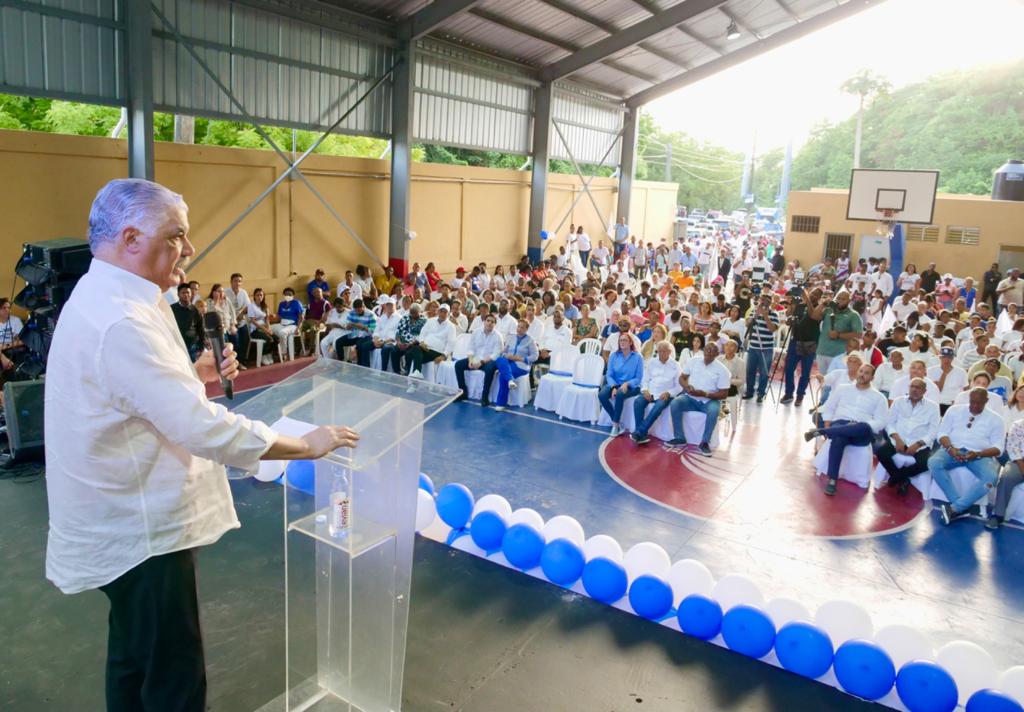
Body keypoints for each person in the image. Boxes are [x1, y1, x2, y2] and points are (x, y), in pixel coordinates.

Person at [45, 178, 360, 712]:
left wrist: (192, 372)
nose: (188, 250)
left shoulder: (104, 294)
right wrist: (303, 445)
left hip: (118, 520)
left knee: (133, 660)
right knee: (173, 676)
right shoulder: (122, 319)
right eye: (176, 236)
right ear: (130, 238)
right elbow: (200, 427)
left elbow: (132, 396)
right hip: (141, 530)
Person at [805, 363, 889, 495]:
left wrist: (865, 426)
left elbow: (881, 421)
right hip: (841, 424)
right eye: (861, 371)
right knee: (839, 438)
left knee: (861, 426)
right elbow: (829, 408)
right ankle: (832, 480)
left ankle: (821, 432)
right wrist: (828, 423)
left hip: (862, 430)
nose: (862, 374)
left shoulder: (879, 397)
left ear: (872, 378)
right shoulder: (842, 389)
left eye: (866, 373)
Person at [930, 387, 1005, 525]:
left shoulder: (996, 419)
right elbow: (942, 434)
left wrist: (978, 454)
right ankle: (959, 506)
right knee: (934, 463)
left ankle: (955, 508)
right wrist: (950, 448)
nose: (975, 406)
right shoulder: (954, 410)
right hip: (952, 450)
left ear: (986, 401)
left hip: (980, 455)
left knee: (991, 478)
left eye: (979, 403)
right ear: (969, 398)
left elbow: (999, 448)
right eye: (973, 402)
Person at [875, 377, 941, 494]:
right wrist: (897, 439)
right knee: (881, 452)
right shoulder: (898, 401)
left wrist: (918, 444)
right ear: (909, 388)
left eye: (918, 387)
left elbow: (933, 431)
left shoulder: (933, 407)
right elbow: (889, 423)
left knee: (927, 463)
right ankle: (903, 480)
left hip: (919, 444)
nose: (914, 390)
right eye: (912, 387)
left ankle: (897, 477)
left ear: (924, 391)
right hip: (898, 441)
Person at [667, 342, 730, 456]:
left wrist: (705, 394)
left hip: (709, 400)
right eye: (707, 349)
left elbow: (724, 393)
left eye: (712, 350)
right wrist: (687, 387)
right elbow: (682, 378)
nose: (709, 352)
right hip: (690, 398)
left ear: (717, 354)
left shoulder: (722, 370)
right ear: (703, 349)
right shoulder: (693, 361)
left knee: (714, 410)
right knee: (675, 403)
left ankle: (705, 442)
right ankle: (679, 437)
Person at [631, 340, 682, 444]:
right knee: (638, 402)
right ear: (657, 351)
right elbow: (645, 379)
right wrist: (645, 390)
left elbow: (679, 386)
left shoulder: (676, 365)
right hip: (650, 392)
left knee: (658, 407)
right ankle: (641, 435)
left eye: (664, 351)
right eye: (660, 351)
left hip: (665, 395)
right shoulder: (651, 362)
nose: (662, 353)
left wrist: (669, 393)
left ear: (669, 352)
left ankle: (639, 432)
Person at [781, 288, 823, 406]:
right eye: (812, 293)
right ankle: (789, 393)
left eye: (816, 294)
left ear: (819, 297)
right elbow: (791, 316)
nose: (813, 295)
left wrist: (808, 300)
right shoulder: (800, 305)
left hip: (810, 343)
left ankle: (800, 395)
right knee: (789, 369)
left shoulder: (820, 308)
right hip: (796, 340)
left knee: (805, 372)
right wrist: (790, 319)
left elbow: (813, 315)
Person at [600, 332, 643, 436]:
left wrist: (627, 383)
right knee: (602, 395)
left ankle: (615, 426)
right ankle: (617, 421)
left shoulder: (637, 357)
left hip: (632, 386)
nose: (622, 342)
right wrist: (614, 386)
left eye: (625, 340)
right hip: (615, 383)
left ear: (630, 342)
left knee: (620, 394)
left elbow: (638, 378)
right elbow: (609, 374)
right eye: (620, 340)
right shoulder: (614, 356)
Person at [454, 313, 503, 404]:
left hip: (489, 361)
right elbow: (471, 348)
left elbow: (496, 354)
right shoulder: (476, 332)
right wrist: (470, 360)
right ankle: (463, 392)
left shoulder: (498, 336)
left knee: (489, 370)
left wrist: (482, 362)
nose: (489, 323)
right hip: (475, 359)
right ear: (484, 322)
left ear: (495, 324)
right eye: (488, 320)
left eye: (492, 322)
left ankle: (484, 397)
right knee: (458, 365)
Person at [492, 318, 539, 409]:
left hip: (521, 365)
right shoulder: (511, 337)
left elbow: (535, 356)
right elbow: (503, 352)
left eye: (522, 327)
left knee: (503, 375)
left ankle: (501, 403)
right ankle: (510, 380)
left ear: (526, 329)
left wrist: (520, 358)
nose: (519, 329)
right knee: (499, 359)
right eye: (518, 326)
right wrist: (506, 355)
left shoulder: (530, 340)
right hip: (508, 361)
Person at [988, 417, 1024, 529]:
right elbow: (1013, 448)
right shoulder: (1018, 424)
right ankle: (998, 515)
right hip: (1019, 461)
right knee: (1006, 477)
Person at [743, 293, 779, 404]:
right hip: (753, 346)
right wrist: (755, 316)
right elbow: (747, 324)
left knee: (764, 372)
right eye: (762, 300)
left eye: (766, 300)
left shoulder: (774, 314)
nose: (763, 302)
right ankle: (749, 391)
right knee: (750, 371)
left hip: (766, 348)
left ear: (770, 302)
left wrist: (766, 316)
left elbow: (773, 329)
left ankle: (761, 393)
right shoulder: (754, 311)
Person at [817, 291, 863, 373]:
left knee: (835, 383)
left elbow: (859, 334)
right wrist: (823, 304)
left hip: (839, 354)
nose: (839, 301)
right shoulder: (828, 310)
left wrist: (839, 335)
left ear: (849, 301)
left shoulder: (853, 315)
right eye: (838, 298)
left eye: (843, 299)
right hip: (822, 351)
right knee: (823, 381)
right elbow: (814, 316)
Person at [407, 303, 456, 378]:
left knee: (413, 353)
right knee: (411, 352)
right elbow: (422, 333)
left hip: (437, 351)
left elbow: (451, 343)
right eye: (441, 311)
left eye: (445, 312)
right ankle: (416, 373)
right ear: (438, 312)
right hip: (425, 348)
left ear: (448, 314)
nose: (442, 314)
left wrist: (444, 356)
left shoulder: (451, 326)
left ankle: (416, 373)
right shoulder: (430, 321)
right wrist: (422, 342)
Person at [169, 284, 204, 361]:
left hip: (192, 346)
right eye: (183, 293)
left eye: (188, 292)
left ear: (191, 294)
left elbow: (200, 328)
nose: (186, 295)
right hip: (177, 346)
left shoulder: (195, 310)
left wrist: (201, 346)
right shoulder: (171, 309)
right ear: (178, 294)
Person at [389, 303, 427, 374]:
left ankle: (407, 371)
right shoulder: (405, 318)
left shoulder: (424, 321)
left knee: (409, 354)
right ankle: (397, 371)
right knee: (394, 351)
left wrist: (410, 344)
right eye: (411, 313)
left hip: (414, 344)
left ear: (420, 312)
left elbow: (422, 336)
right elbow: (398, 331)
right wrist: (399, 342)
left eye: (415, 313)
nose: (412, 315)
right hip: (402, 342)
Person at [246, 287, 279, 365]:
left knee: (276, 339)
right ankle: (263, 355)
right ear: (254, 296)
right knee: (268, 339)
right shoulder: (251, 306)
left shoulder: (264, 306)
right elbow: (253, 321)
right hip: (255, 330)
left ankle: (268, 353)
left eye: (261, 295)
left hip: (264, 328)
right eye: (257, 295)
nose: (259, 297)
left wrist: (269, 329)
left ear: (263, 296)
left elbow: (267, 319)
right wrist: (265, 330)